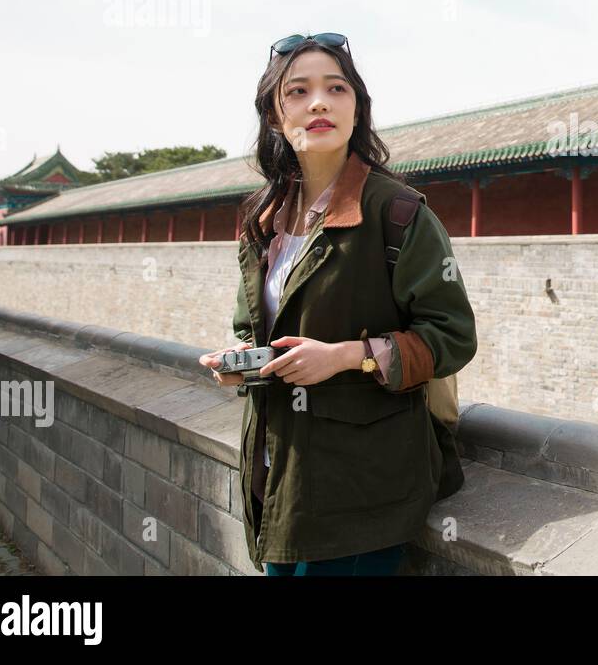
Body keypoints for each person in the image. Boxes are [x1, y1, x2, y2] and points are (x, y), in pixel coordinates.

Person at [198, 32, 477, 576]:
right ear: (276, 117)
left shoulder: (397, 213)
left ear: (357, 109)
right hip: (278, 474)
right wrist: (239, 364)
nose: (319, 102)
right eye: (297, 91)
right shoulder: (264, 219)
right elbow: (250, 328)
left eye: (337, 88)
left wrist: (349, 355)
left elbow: (453, 336)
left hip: (363, 487)